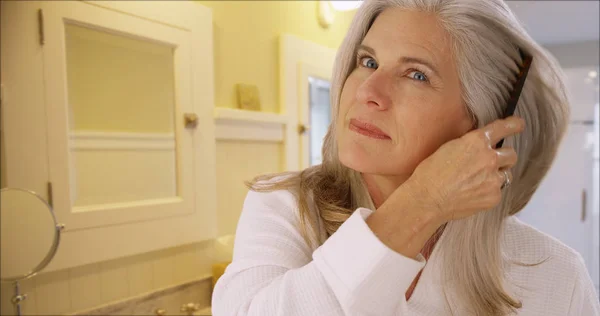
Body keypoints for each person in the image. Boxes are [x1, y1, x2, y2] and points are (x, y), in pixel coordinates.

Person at [212, 0, 600, 315]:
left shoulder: (556, 277)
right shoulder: (285, 209)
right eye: (368, 62)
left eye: (416, 75)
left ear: (486, 123)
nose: (369, 91)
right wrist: (421, 203)